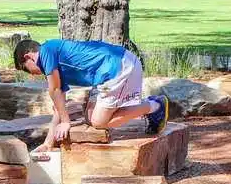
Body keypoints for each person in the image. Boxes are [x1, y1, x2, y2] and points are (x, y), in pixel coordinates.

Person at [13, 38, 168, 152]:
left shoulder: (46, 51)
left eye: (26, 69)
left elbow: (54, 90)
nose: (32, 74)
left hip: (119, 68)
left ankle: (155, 106)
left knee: (98, 122)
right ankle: (149, 106)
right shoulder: (54, 59)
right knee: (89, 116)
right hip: (113, 69)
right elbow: (58, 107)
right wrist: (48, 144)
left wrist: (66, 122)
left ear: (28, 57)